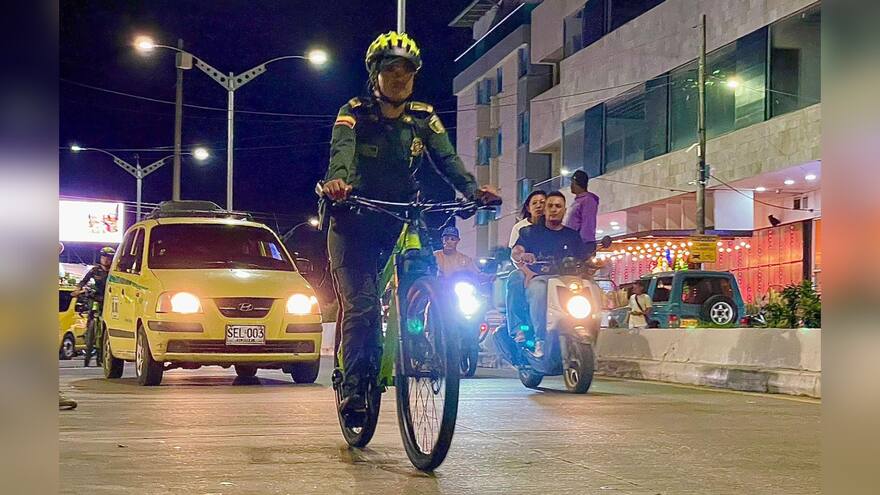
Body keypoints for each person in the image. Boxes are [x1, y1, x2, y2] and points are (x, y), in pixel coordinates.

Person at [320, 31, 499, 426]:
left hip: (398, 219)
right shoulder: (354, 112)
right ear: (375, 73)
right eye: (391, 69)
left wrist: (472, 191)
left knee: (425, 272)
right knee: (363, 307)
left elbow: (448, 160)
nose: (400, 77)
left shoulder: (423, 117)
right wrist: (338, 183)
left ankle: (423, 337)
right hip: (352, 220)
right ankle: (353, 388)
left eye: (408, 70)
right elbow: (342, 154)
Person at [512, 191, 588, 357]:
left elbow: (583, 257)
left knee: (590, 289)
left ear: (564, 210)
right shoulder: (529, 232)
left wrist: (596, 263)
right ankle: (540, 340)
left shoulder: (572, 235)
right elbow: (516, 251)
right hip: (540, 278)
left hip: (567, 280)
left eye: (558, 206)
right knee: (538, 290)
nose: (554, 209)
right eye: (550, 206)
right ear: (545, 209)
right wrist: (523, 255)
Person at [505, 190, 546, 340]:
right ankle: (518, 327)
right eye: (535, 203)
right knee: (515, 278)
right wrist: (527, 272)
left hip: (552, 271)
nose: (539, 206)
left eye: (543, 202)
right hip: (526, 270)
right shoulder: (522, 229)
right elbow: (516, 254)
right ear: (528, 207)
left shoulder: (556, 227)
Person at [72, 246, 114, 367]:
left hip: (108, 300)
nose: (106, 260)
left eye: (109, 258)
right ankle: (88, 341)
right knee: (91, 318)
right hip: (96, 298)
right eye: (104, 257)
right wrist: (77, 290)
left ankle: (103, 352)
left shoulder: (114, 271)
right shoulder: (95, 270)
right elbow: (83, 281)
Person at [565, 170, 600, 255]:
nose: (571, 186)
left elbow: (588, 223)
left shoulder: (588, 200)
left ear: (577, 183)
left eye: (572, 183)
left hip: (582, 245)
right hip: (573, 243)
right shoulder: (577, 201)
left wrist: (583, 245)